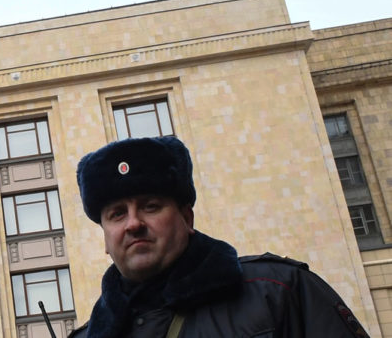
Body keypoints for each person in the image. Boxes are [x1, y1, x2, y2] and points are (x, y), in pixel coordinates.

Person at [69, 135, 370, 338]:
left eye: (151, 207)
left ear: (187, 218)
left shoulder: (279, 292)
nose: (133, 223)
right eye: (117, 214)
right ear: (105, 239)